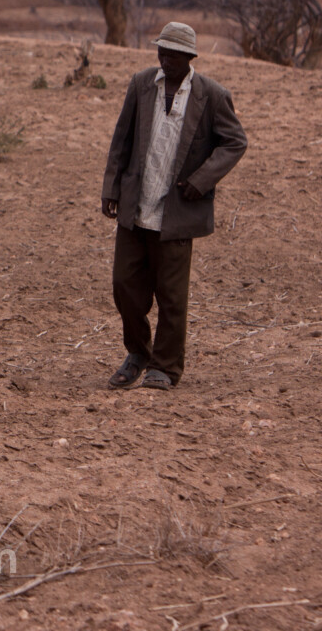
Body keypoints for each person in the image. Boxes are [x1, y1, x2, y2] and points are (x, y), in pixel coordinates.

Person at [101, 21, 247, 391]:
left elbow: (234, 142)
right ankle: (138, 353)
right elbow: (122, 138)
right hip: (137, 205)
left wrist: (202, 180)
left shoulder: (212, 95)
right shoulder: (141, 84)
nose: (164, 60)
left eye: (173, 55)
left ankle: (164, 367)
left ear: (189, 58)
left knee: (171, 296)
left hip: (178, 211)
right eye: (161, 52)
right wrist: (111, 188)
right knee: (124, 285)